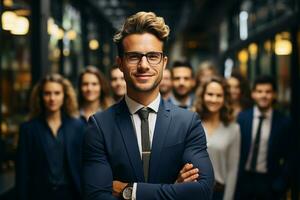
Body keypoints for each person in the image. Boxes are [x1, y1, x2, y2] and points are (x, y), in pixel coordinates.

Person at [82, 11, 214, 200]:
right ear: (120, 63)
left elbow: (202, 191)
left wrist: (130, 191)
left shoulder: (188, 123)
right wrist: (174, 190)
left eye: (153, 56)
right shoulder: (99, 126)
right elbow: (96, 196)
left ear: (163, 63)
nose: (144, 65)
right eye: (134, 57)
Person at [16, 74, 85, 200]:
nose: (52, 98)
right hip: (39, 195)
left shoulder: (78, 126)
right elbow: (22, 171)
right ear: (40, 97)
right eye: (47, 93)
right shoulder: (28, 129)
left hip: (71, 195)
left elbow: (84, 166)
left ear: (65, 96)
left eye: (57, 93)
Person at [235, 75, 292, 200]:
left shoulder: (284, 122)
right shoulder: (242, 118)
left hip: (269, 182)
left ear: (274, 95)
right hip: (244, 181)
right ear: (253, 94)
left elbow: (291, 156)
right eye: (259, 91)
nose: (264, 96)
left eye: (268, 92)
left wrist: (281, 184)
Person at [193, 76, 240, 200]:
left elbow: (232, 170)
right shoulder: (191, 123)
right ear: (202, 96)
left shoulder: (233, 129)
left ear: (225, 99)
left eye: (219, 95)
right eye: (210, 94)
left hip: (218, 193)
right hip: (192, 192)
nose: (214, 99)